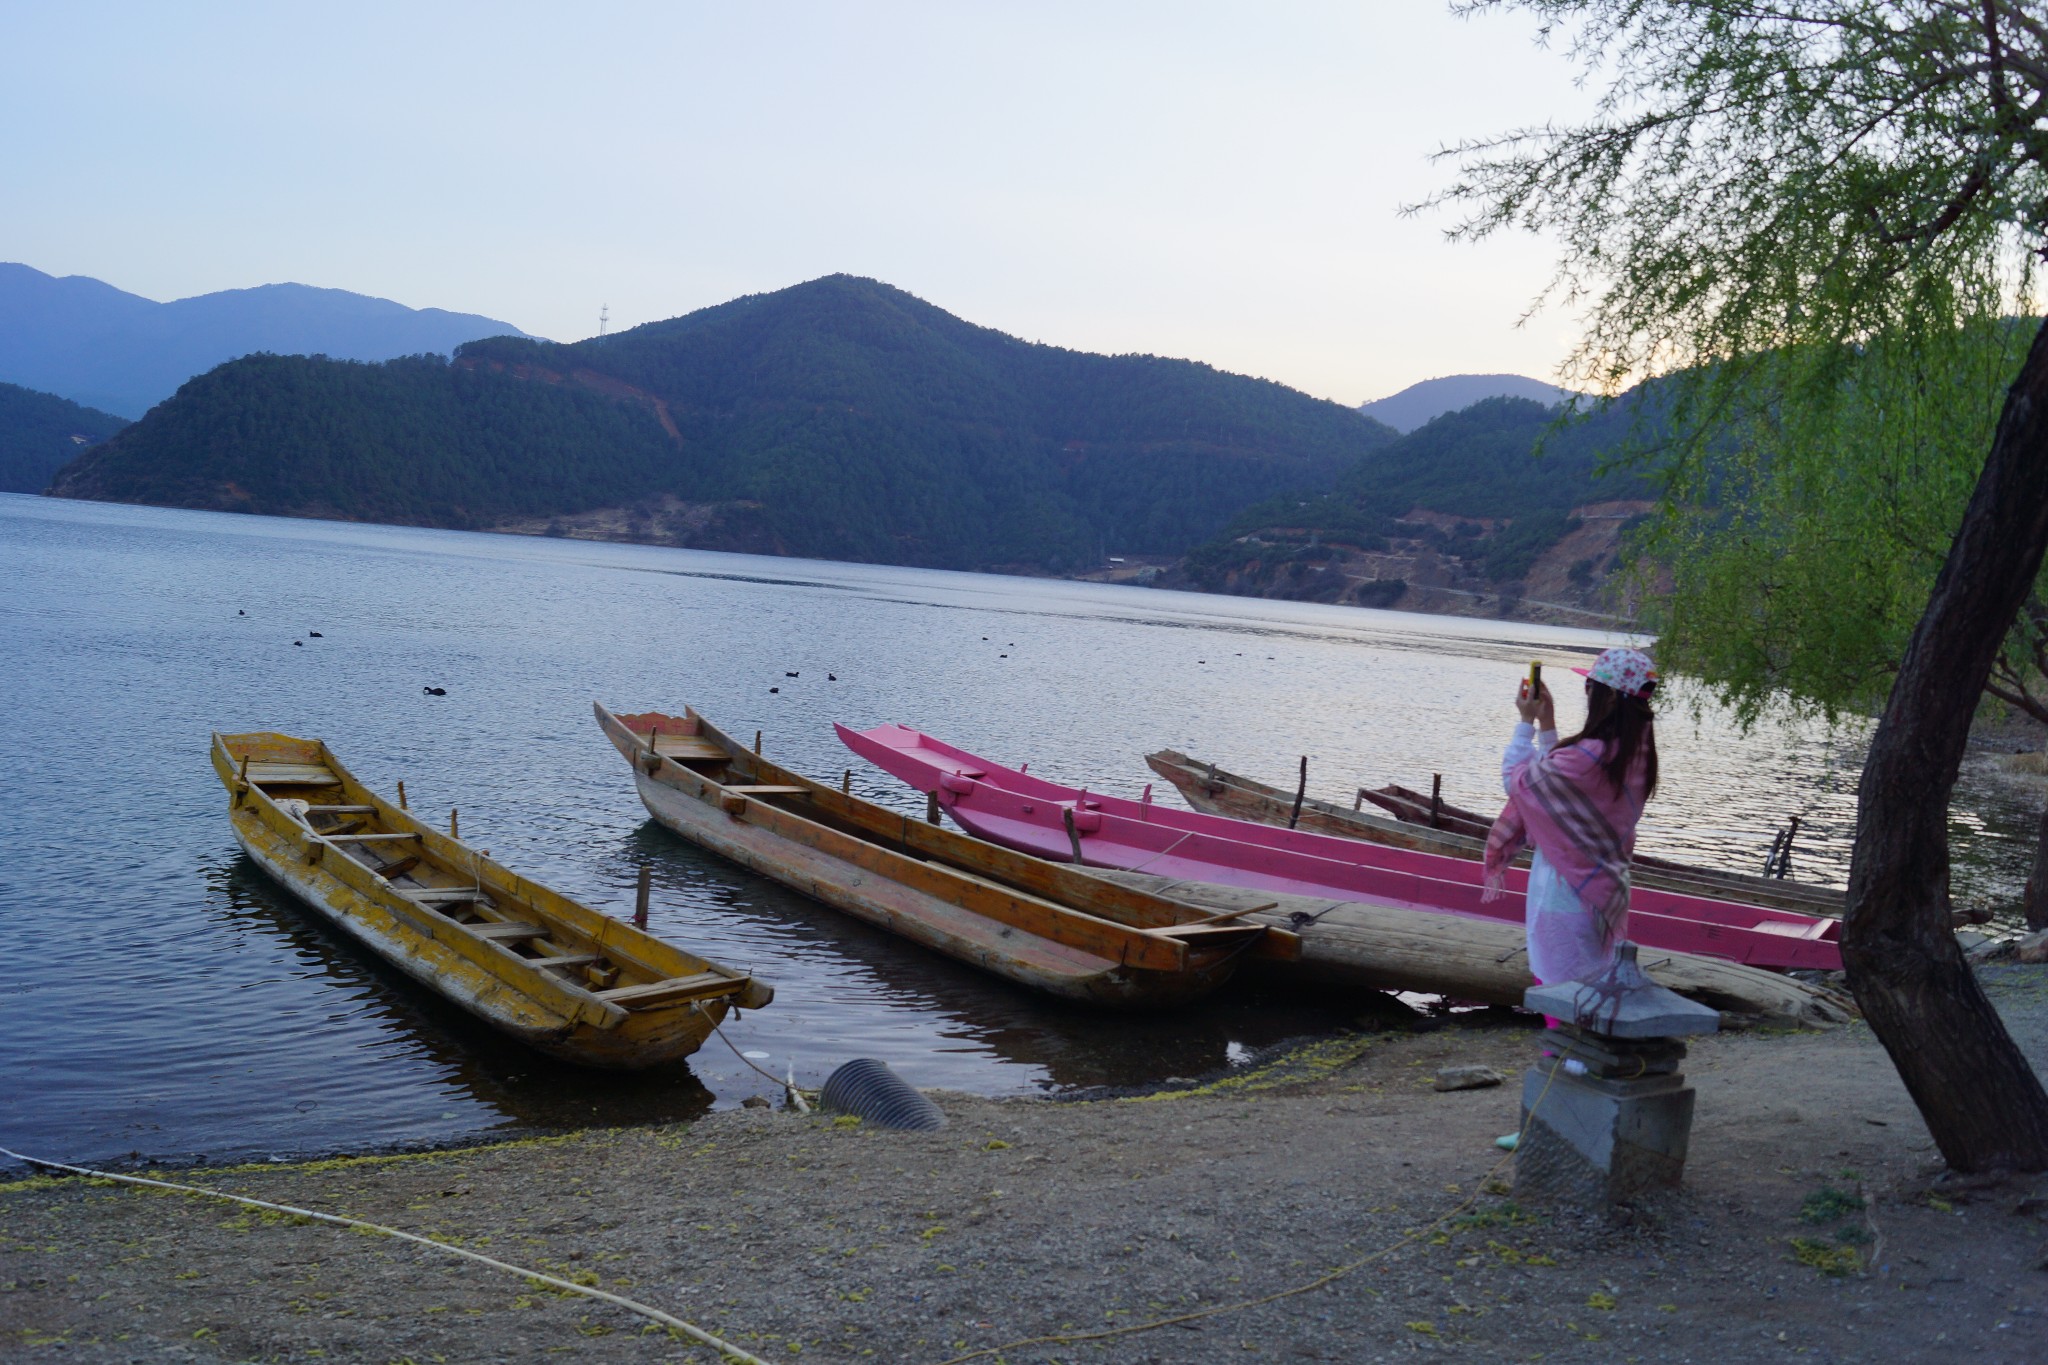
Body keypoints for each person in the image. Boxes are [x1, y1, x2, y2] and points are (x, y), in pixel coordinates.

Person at [1486, 646, 1660, 990]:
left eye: (1590, 687)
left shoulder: (1589, 755)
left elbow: (1519, 782)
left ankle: (1558, 1045)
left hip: (1564, 890)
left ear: (1608, 698)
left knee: (1558, 987)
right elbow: (1554, 780)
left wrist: (1525, 724)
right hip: (1605, 889)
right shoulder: (1636, 753)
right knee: (1592, 985)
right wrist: (1547, 723)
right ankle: (1570, 1042)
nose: (1587, 694)